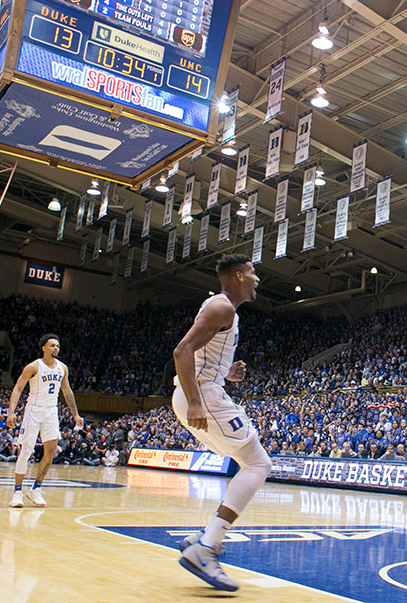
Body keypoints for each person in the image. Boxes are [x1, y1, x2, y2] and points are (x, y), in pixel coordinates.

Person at [173, 254, 272, 593]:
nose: (257, 279)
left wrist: (226, 372)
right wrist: (198, 402)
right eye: (253, 273)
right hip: (201, 395)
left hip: (201, 390)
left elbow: (200, 355)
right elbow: (182, 351)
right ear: (238, 275)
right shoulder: (222, 307)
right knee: (258, 463)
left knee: (251, 462)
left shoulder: (223, 309)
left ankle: (204, 539)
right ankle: (207, 545)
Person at [7, 334, 83, 508]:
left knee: (51, 452)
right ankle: (17, 492)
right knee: (26, 451)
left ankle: (36, 488)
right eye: (52, 345)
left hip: (51, 411)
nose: (56, 348)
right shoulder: (34, 366)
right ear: (44, 348)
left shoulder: (62, 368)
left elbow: (67, 391)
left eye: (57, 345)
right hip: (33, 410)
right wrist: (11, 412)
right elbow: (18, 388)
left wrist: (76, 414)